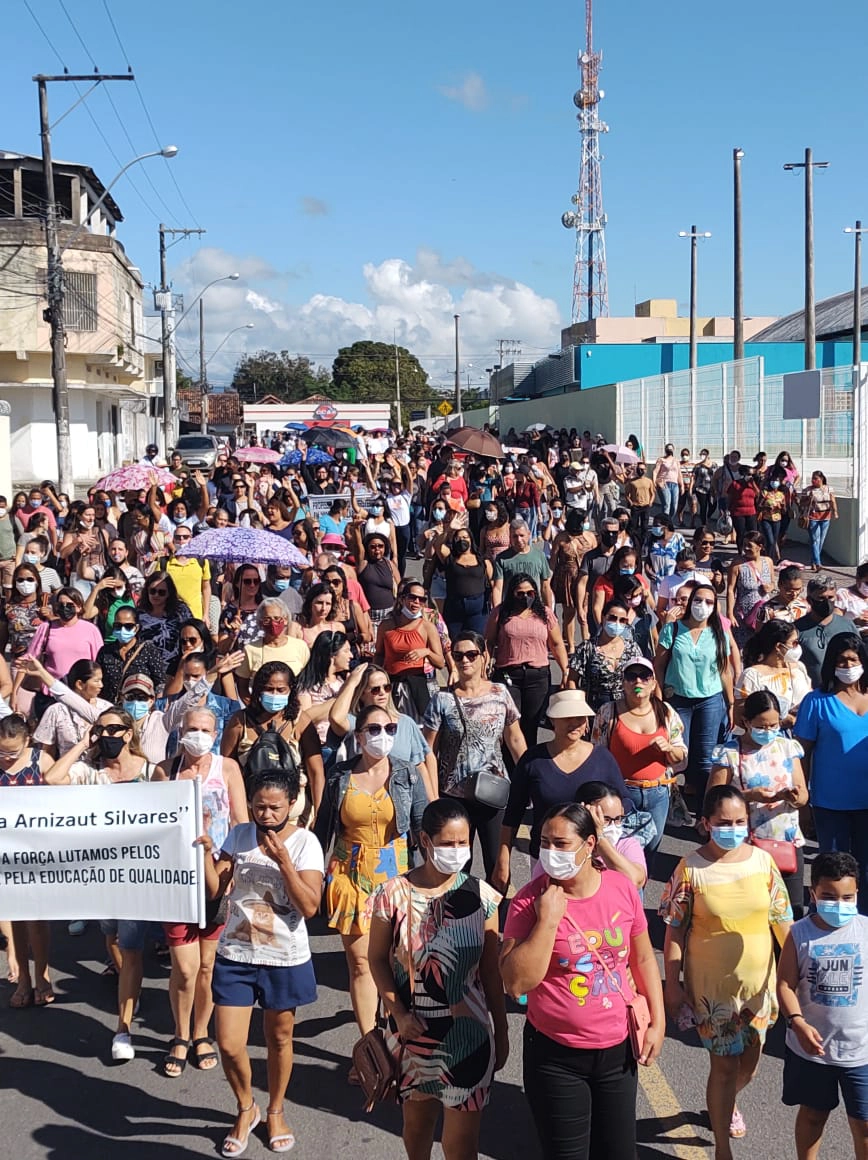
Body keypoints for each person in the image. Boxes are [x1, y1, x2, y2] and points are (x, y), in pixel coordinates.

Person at [500, 802, 665, 1160]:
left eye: (561, 844)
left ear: (590, 845)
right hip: (556, 1058)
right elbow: (515, 983)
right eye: (544, 842)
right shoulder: (530, 901)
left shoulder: (620, 888)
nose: (550, 853)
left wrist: (657, 1022)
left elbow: (643, 958)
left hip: (617, 1055)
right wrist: (546, 921)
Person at [368, 798, 508, 1160]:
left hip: (470, 1037)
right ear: (424, 841)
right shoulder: (392, 895)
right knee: (417, 1130)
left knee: (462, 1145)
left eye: (464, 843)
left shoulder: (483, 898)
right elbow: (376, 959)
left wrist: (503, 1032)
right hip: (411, 1036)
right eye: (448, 843)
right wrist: (397, 1013)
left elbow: (491, 973)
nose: (457, 851)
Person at [661, 784, 792, 1158]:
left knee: (749, 1062)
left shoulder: (762, 862)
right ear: (706, 823)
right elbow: (674, 931)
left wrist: (794, 976)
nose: (732, 828)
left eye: (739, 821)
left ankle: (724, 1102)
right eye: (723, 822)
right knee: (723, 1066)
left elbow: (783, 921)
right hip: (713, 994)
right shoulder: (690, 869)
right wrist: (674, 985)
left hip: (760, 989)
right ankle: (721, 1146)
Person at [198, 768, 324, 1157]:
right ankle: (245, 1107)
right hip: (236, 953)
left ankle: (275, 1109)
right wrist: (205, 853)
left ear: (291, 805)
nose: (266, 815)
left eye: (274, 807)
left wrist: (284, 862)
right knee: (230, 1043)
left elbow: (310, 907)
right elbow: (216, 889)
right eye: (258, 807)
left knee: (280, 1038)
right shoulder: (238, 836)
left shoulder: (306, 843)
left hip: (283, 957)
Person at [44, 709, 158, 1060]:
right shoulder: (90, 774)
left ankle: (123, 1029)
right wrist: (84, 743)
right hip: (102, 876)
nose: (107, 734)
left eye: (114, 729)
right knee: (111, 936)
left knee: (132, 943)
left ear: (128, 733)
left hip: (137, 876)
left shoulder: (151, 771)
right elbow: (52, 778)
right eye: (101, 729)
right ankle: (127, 981)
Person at [322, 702, 428, 1041]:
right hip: (349, 876)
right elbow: (324, 828)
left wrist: (439, 877)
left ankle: (395, 1029)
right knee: (361, 964)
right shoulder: (339, 776)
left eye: (390, 730)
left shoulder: (407, 773)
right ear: (359, 735)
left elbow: (423, 826)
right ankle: (371, 1046)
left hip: (394, 876)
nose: (383, 736)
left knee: (397, 963)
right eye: (374, 729)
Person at [152, 709, 248, 1077]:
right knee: (186, 968)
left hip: (218, 877)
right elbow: (152, 823)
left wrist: (233, 864)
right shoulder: (165, 770)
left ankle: (200, 1032)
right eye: (192, 728)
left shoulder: (227, 769)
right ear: (181, 730)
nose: (198, 735)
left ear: (215, 732)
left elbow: (240, 821)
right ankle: (179, 1034)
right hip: (176, 879)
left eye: (205, 729)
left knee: (208, 965)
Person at [777, 851, 868, 1160]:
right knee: (813, 1115)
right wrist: (797, 1022)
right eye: (829, 896)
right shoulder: (799, 933)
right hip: (812, 1051)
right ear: (813, 892)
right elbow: (785, 984)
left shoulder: (866, 931)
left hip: (860, 1052)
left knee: (864, 1123)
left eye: (847, 897)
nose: (839, 904)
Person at [496, 689, 628, 892]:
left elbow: (624, 806)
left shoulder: (604, 759)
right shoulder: (532, 760)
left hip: (592, 860)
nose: (574, 723)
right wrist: (503, 859)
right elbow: (513, 813)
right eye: (566, 717)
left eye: (579, 718)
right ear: (552, 720)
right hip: (547, 858)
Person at [422, 633, 526, 880]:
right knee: (454, 868)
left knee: (498, 867)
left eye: (471, 655)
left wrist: (529, 780)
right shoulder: (442, 700)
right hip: (454, 796)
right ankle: (456, 917)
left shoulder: (500, 693)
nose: (465, 661)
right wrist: (434, 797)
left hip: (494, 792)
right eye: (458, 656)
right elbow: (428, 751)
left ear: (484, 656)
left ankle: (496, 918)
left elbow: (515, 740)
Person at [710, 690, 808, 916]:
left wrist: (794, 796)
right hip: (746, 845)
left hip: (786, 841)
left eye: (774, 726)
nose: (769, 732)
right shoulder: (729, 754)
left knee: (791, 911)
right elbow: (714, 798)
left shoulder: (787, 747)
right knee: (750, 911)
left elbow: (803, 796)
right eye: (762, 726)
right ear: (746, 722)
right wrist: (749, 796)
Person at [795, 633, 868, 908]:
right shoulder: (816, 702)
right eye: (841, 660)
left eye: (853, 659)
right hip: (830, 804)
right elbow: (801, 755)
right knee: (832, 871)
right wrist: (802, 801)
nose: (848, 666)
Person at [590, 658, 687, 858]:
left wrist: (668, 748)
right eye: (631, 676)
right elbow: (597, 755)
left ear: (653, 684)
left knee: (650, 852)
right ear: (623, 683)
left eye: (644, 677)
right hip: (623, 793)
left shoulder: (666, 713)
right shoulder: (608, 712)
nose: (638, 682)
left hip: (658, 793)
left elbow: (680, 755)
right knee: (622, 852)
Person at [654, 579, 733, 805]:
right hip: (677, 699)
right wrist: (658, 698)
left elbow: (724, 671)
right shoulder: (673, 629)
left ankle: (704, 809)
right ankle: (668, 803)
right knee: (677, 754)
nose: (703, 605)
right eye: (698, 600)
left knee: (705, 757)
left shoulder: (719, 633)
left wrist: (731, 705)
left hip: (710, 700)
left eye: (709, 601)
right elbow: (658, 665)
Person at [222, 662, 324, 822]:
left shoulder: (301, 722)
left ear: (291, 690)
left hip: (294, 820)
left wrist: (320, 815)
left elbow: (316, 772)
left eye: (281, 690)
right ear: (258, 690)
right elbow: (225, 768)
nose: (275, 694)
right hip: (249, 818)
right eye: (269, 689)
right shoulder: (239, 722)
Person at [0, 714, 54, 1008]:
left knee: (36, 918)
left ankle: (42, 974)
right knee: (16, 918)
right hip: (4, 854)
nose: (7, 758)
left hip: (37, 851)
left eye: (13, 752)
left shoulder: (40, 761)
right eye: (1, 752)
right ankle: (23, 978)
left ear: (27, 742)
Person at [485, 572, 569, 747]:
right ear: (512, 594)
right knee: (510, 724)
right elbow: (489, 641)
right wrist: (483, 668)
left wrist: (565, 671)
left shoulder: (544, 614)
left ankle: (527, 767)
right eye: (520, 593)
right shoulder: (501, 612)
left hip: (537, 677)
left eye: (530, 593)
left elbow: (557, 643)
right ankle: (509, 767)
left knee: (530, 726)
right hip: (508, 676)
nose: (525, 597)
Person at [375, 582, 446, 721]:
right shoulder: (386, 626)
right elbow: (379, 654)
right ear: (402, 599)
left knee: (418, 728)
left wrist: (426, 652)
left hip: (417, 686)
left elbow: (440, 662)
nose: (416, 602)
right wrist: (377, 678)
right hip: (391, 685)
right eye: (412, 597)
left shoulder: (428, 627)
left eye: (421, 599)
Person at [568, 598, 644, 711]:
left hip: (625, 708)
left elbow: (641, 680)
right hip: (594, 708)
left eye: (622, 620)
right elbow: (572, 680)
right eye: (612, 618)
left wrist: (639, 701)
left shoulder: (633, 649)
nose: (617, 623)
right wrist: (579, 709)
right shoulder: (587, 648)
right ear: (603, 618)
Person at [734, 619, 811, 729]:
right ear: (779, 647)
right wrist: (777, 723)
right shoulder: (752, 675)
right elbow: (739, 716)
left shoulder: (799, 667)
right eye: (794, 643)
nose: (797, 647)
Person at [574, 780, 647, 891]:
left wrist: (600, 838)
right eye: (606, 819)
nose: (613, 826)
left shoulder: (626, 844)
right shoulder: (567, 844)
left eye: (617, 819)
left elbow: (635, 881)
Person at [432, 516, 492, 639]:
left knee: (477, 641)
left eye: (465, 537)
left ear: (471, 539)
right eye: (458, 538)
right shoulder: (450, 557)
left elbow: (493, 584)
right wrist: (449, 529)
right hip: (454, 608)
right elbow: (438, 545)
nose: (462, 540)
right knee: (454, 641)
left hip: (478, 610)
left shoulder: (482, 560)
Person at [95, 605, 167, 704]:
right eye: (118, 626)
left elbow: (160, 682)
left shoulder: (149, 650)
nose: (123, 630)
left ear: (136, 628)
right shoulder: (105, 651)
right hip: (110, 708)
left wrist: (157, 705)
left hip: (138, 706)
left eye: (128, 626)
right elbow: (98, 680)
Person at [795, 575, 855, 688]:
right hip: (812, 693)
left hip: (843, 692)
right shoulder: (797, 629)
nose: (826, 602)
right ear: (809, 600)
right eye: (821, 598)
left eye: (830, 597)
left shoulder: (847, 625)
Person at [550, 509, 597, 650]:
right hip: (566, 579)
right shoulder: (560, 538)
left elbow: (595, 557)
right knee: (569, 612)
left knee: (585, 610)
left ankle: (586, 644)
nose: (586, 524)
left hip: (585, 578)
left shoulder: (590, 537)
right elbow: (553, 561)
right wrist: (548, 582)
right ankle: (571, 646)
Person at [490, 519, 553, 609]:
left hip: (535, 607)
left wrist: (549, 611)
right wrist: (496, 613)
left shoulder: (539, 556)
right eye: (515, 536)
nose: (519, 540)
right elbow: (498, 588)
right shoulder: (502, 558)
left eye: (522, 535)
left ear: (529, 534)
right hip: (512, 608)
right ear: (510, 537)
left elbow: (545, 587)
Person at [137, 572, 193, 670]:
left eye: (161, 592)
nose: (156, 595)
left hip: (175, 666)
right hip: (146, 667)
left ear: (169, 593)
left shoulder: (180, 611)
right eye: (152, 591)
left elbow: (193, 632)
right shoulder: (139, 613)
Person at [727, 532, 776, 642]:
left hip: (763, 614)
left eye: (749, 545)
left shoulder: (768, 562)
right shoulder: (737, 564)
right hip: (743, 614)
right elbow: (730, 590)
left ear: (760, 547)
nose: (746, 548)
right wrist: (730, 613)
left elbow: (773, 582)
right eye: (744, 545)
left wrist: (770, 587)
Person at [165, 524, 211, 620]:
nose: (181, 540)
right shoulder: (164, 563)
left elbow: (206, 589)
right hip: (170, 616)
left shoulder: (201, 561)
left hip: (195, 615)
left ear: (191, 539)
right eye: (178, 537)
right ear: (173, 540)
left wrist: (206, 614)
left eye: (185, 537)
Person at [800, 471, 838, 571]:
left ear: (821, 479)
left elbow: (833, 500)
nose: (813, 480)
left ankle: (813, 561)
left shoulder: (828, 489)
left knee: (821, 540)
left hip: (825, 516)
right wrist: (808, 499)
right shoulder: (808, 490)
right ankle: (818, 563)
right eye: (812, 478)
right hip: (813, 516)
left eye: (815, 478)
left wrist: (835, 512)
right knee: (815, 540)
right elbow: (801, 503)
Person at [757, 467, 788, 563]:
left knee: (774, 541)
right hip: (766, 519)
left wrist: (781, 507)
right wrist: (766, 508)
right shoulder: (765, 493)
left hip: (777, 519)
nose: (775, 482)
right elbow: (759, 505)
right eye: (773, 480)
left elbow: (784, 510)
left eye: (777, 481)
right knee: (769, 540)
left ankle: (771, 559)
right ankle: (767, 559)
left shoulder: (781, 494)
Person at [836, 561, 868, 638]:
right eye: (867, 583)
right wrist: (854, 622)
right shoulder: (843, 594)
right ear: (858, 579)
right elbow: (834, 622)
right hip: (856, 638)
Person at [652, 442, 682, 521]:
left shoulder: (676, 461)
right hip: (664, 483)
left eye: (671, 449)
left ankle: (669, 521)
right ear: (665, 450)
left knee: (674, 506)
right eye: (668, 449)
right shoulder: (661, 460)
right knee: (666, 504)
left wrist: (681, 485)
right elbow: (655, 471)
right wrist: (654, 482)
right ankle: (665, 523)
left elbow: (679, 473)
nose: (669, 450)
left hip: (675, 484)